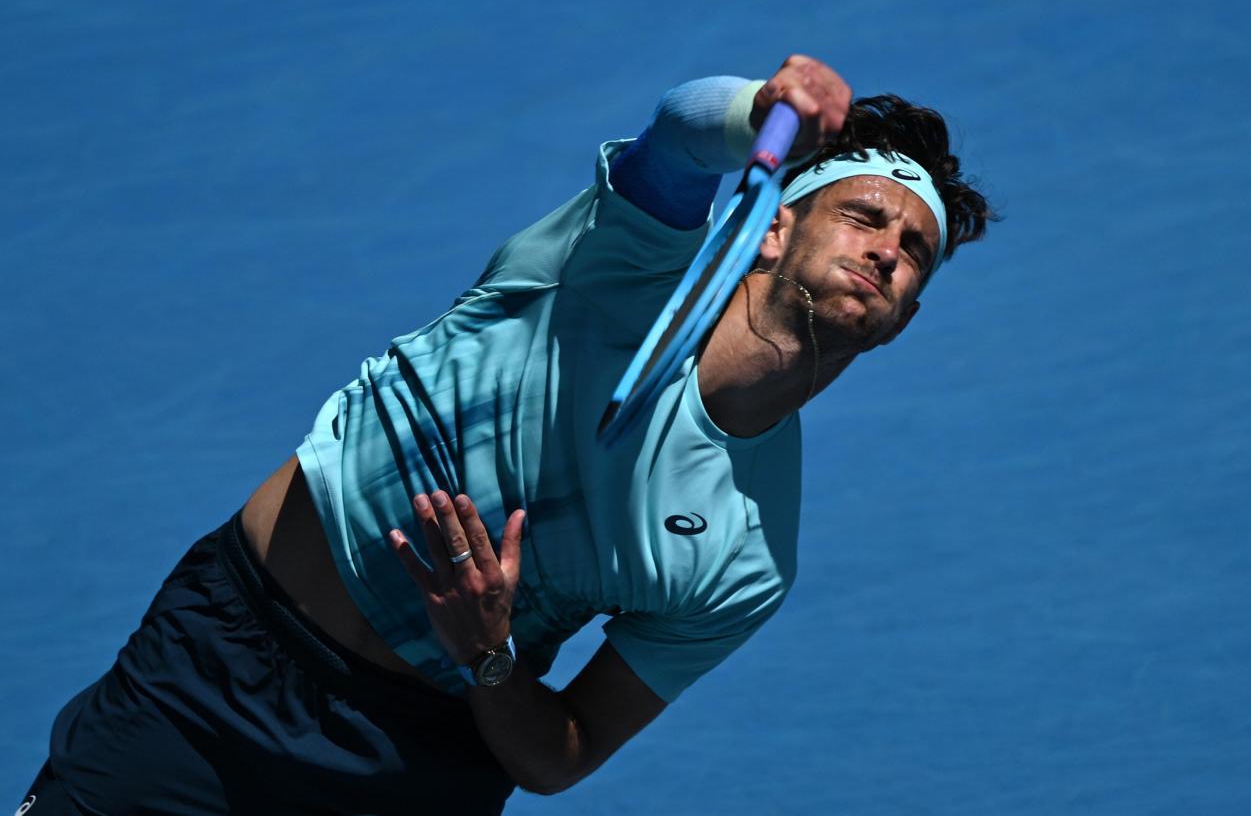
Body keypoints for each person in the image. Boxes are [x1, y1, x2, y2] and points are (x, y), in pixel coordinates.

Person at [22, 54, 995, 815]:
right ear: (775, 229)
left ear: (907, 315)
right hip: (215, 665)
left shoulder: (749, 558)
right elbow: (675, 134)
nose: (888, 252)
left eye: (916, 253)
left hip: (408, 768)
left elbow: (562, 750)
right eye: (867, 216)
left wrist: (489, 655)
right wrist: (757, 106)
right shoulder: (620, 259)